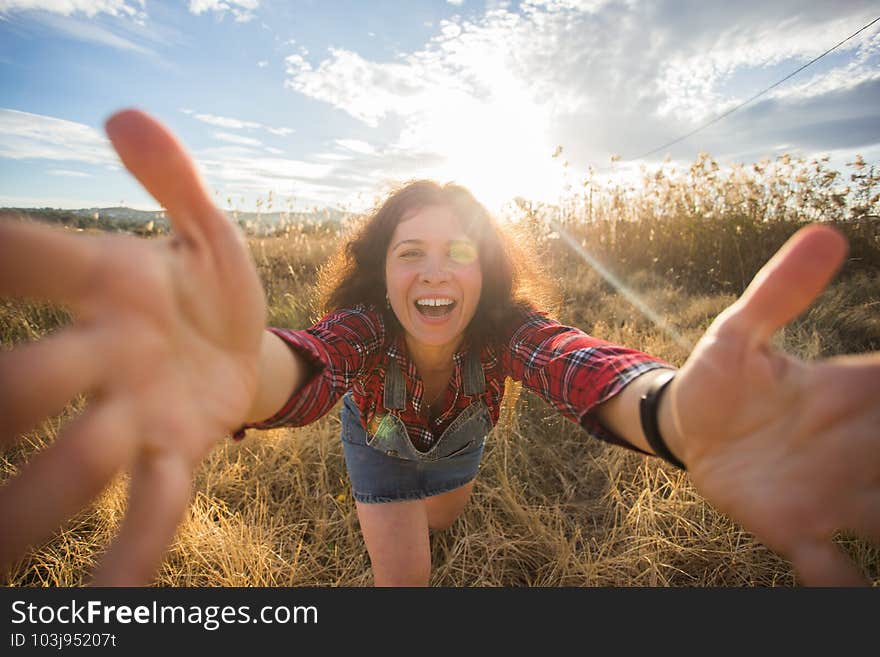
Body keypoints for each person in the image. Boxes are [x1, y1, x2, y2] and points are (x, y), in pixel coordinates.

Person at [0, 109, 877, 587]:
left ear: (484, 272)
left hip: (460, 446)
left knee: (442, 519)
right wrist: (245, 375)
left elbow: (575, 361)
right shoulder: (363, 329)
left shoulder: (507, 332)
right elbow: (303, 364)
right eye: (407, 251)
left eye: (459, 251)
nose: (434, 270)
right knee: (407, 576)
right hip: (374, 449)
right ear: (381, 273)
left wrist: (672, 412)